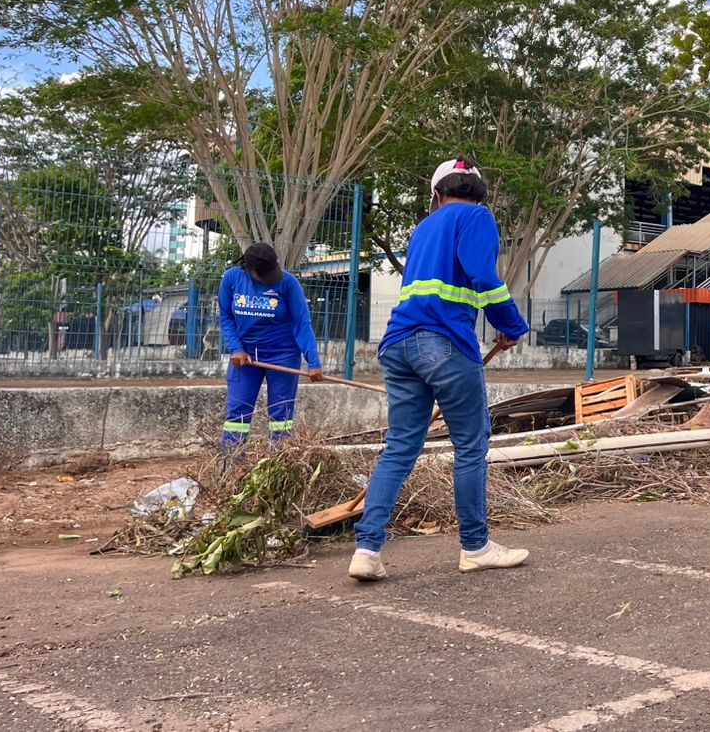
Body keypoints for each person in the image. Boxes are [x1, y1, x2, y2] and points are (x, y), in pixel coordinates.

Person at [350, 160, 532, 581]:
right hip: (444, 344)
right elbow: (483, 275)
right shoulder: (477, 216)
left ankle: (367, 549)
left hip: (398, 344)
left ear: (436, 194)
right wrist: (510, 326)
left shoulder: (423, 228)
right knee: (470, 445)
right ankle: (475, 547)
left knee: (399, 447)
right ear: (479, 193)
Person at [218, 243, 324, 453]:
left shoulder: (288, 283)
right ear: (248, 269)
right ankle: (230, 465)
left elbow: (302, 323)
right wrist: (236, 349)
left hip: (283, 355)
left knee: (281, 416)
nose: (270, 278)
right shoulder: (232, 279)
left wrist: (313, 361)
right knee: (238, 414)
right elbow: (226, 317)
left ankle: (278, 462)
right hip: (246, 358)